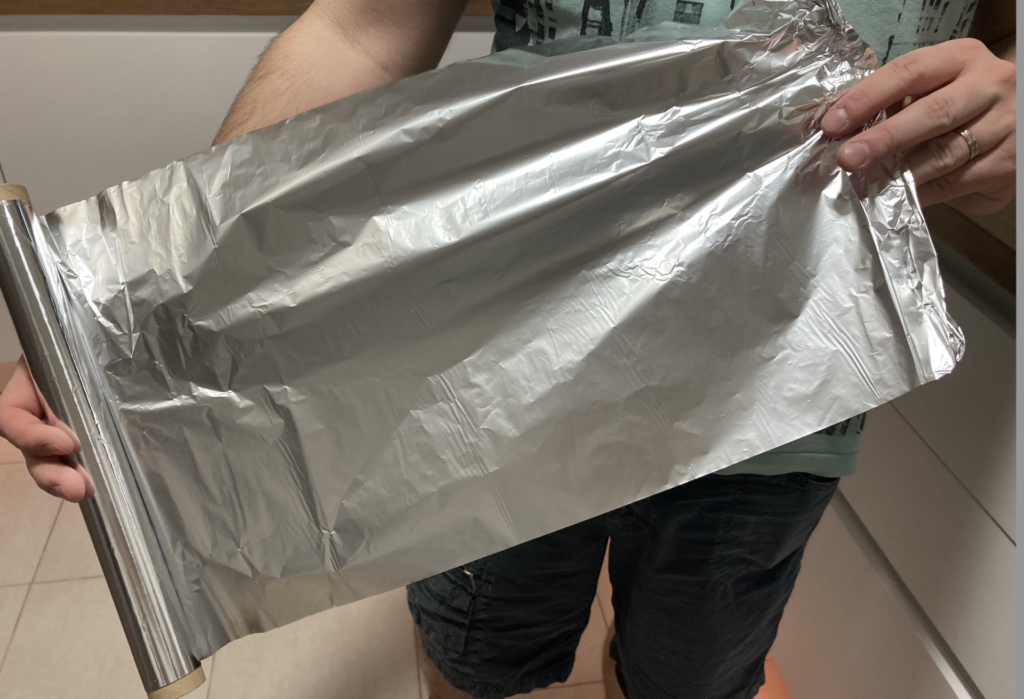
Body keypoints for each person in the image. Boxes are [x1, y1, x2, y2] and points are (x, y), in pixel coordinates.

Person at [0, 1, 1014, 697]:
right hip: (485, 390)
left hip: (784, 396)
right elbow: (362, 29)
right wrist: (124, 323)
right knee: (474, 658)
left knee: (689, 676)